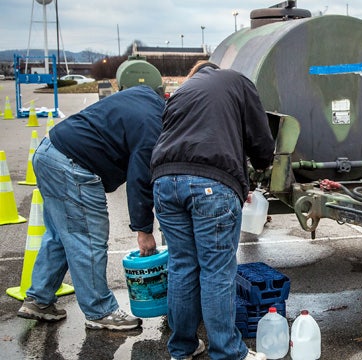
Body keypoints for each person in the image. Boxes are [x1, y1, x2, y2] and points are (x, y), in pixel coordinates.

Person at [150, 60, 274, 360]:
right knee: (217, 271)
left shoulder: (181, 91)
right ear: (218, 70)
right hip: (209, 185)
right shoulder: (237, 80)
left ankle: (182, 348)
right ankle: (229, 352)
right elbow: (260, 138)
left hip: (164, 182)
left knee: (182, 267)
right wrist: (260, 166)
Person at [17, 85, 165, 331]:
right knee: (88, 239)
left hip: (49, 152)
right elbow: (139, 181)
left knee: (60, 236)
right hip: (73, 165)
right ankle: (100, 310)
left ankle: (39, 299)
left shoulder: (146, 94)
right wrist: (144, 231)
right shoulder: (154, 128)